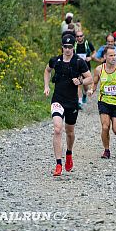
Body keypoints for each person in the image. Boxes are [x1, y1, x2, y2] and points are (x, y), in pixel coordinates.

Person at [44, 34, 93, 176]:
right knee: (58, 129)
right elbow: (47, 70)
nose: (67, 49)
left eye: (70, 47)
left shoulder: (79, 62)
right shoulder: (55, 61)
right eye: (65, 47)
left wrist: (81, 82)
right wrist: (46, 86)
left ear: (73, 47)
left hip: (72, 102)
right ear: (62, 47)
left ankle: (69, 153)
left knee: (70, 132)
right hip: (58, 99)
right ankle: (58, 164)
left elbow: (89, 78)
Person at [87, 46, 116, 159]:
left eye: (115, 55)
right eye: (111, 55)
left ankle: (114, 124)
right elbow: (95, 82)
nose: (113, 57)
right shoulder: (99, 69)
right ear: (105, 56)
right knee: (105, 126)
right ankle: (106, 150)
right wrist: (92, 90)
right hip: (104, 101)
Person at [75, 30, 96, 108]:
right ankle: (79, 102)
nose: (79, 38)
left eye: (81, 36)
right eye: (78, 36)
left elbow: (94, 52)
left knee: (85, 85)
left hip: (86, 66)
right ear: (75, 37)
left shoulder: (87, 43)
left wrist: (90, 57)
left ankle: (84, 94)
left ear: (83, 36)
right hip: (77, 67)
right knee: (79, 83)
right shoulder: (74, 44)